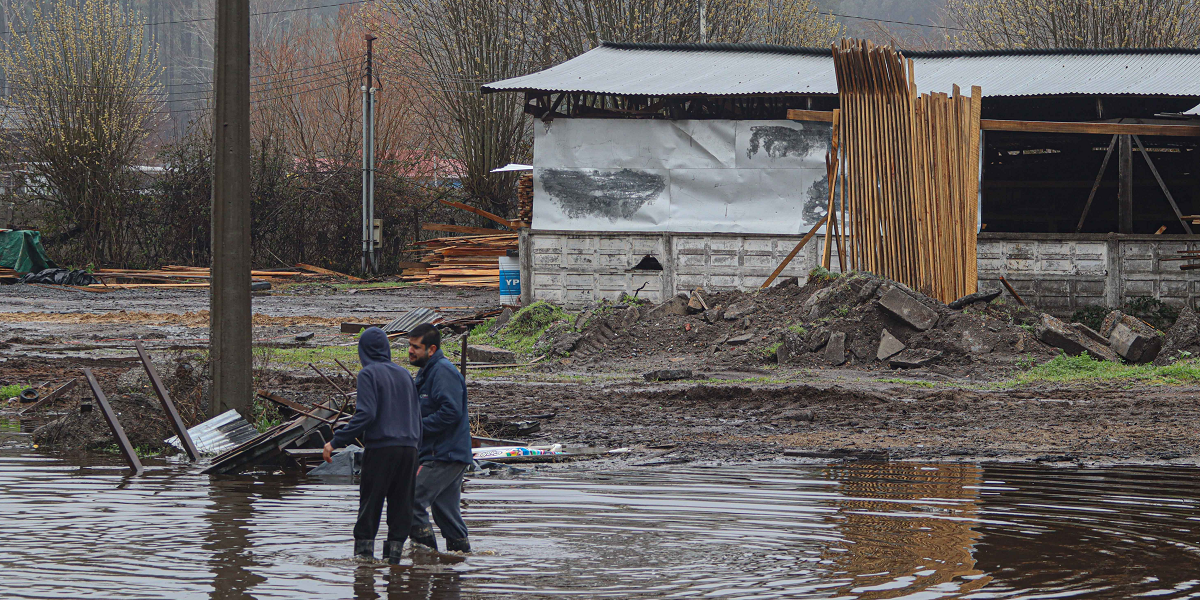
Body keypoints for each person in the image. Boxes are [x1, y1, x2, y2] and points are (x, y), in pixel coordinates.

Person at [323, 327, 421, 564]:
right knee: (400, 511)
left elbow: (366, 415)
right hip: (409, 451)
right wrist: (420, 454)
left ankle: (364, 566)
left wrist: (336, 441)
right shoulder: (405, 375)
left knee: (370, 507)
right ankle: (394, 569)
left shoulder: (368, 374)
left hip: (382, 450)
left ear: (363, 351)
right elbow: (417, 417)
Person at [406, 323, 473, 553]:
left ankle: (425, 562)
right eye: (410, 346)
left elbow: (451, 412)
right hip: (444, 453)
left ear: (431, 349)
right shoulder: (428, 372)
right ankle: (457, 564)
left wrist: (416, 428)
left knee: (411, 501)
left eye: (416, 347)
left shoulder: (443, 372)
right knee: (446, 515)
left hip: (444, 454)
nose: (410, 351)